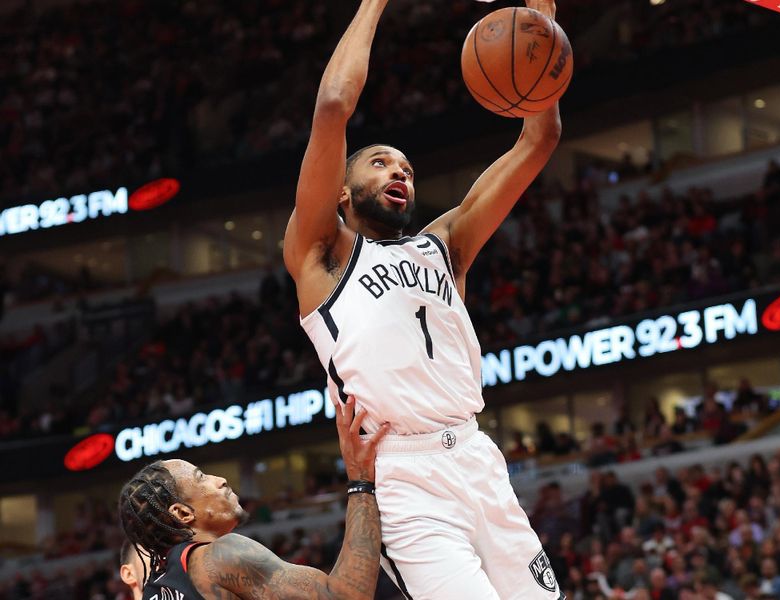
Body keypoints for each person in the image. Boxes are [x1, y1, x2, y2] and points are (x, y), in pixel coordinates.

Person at [283, 0, 564, 596]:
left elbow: (541, 137)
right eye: (381, 162)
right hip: (404, 476)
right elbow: (333, 107)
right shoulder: (322, 258)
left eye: (407, 167)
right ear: (341, 194)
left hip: (476, 456)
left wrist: (541, 18)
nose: (400, 171)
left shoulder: (445, 245)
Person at [118, 397, 388, 600]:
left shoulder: (157, 588)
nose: (220, 480)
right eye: (201, 477)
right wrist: (360, 482)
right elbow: (345, 596)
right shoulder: (218, 557)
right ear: (183, 513)